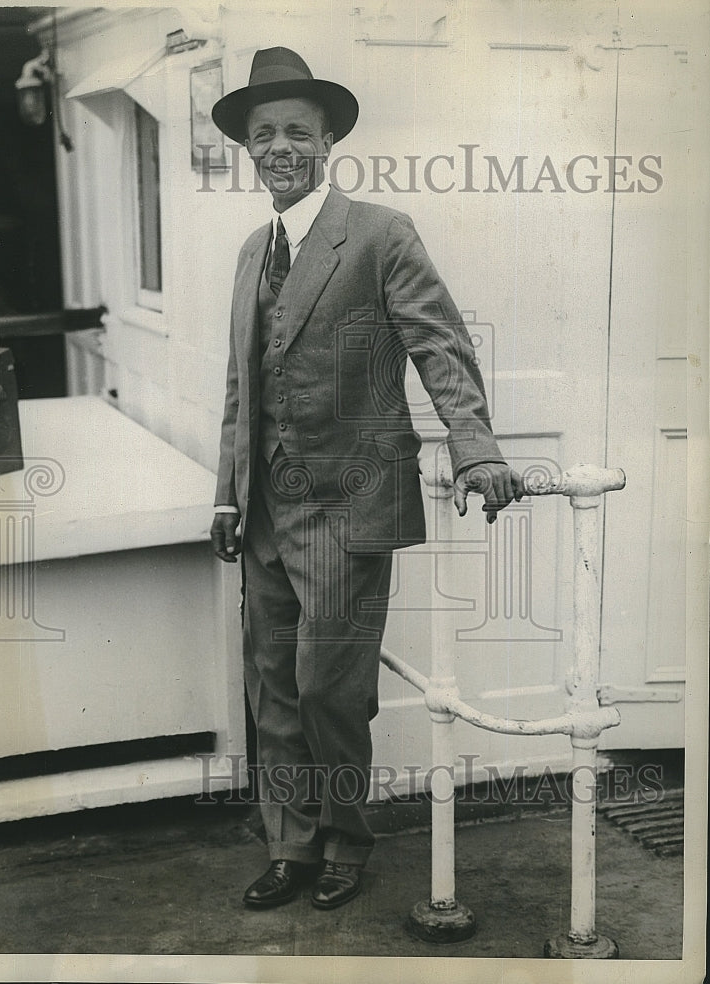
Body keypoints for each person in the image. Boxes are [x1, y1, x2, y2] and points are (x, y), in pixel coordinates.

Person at [209, 46, 522, 910]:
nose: (277, 147)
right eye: (263, 134)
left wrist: (477, 447)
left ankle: (346, 841)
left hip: (348, 506)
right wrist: (228, 492)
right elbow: (241, 384)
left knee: (329, 690)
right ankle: (291, 847)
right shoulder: (249, 251)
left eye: (295, 133)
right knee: (271, 689)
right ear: (249, 147)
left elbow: (439, 344)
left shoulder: (378, 233)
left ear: (329, 139)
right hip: (266, 509)